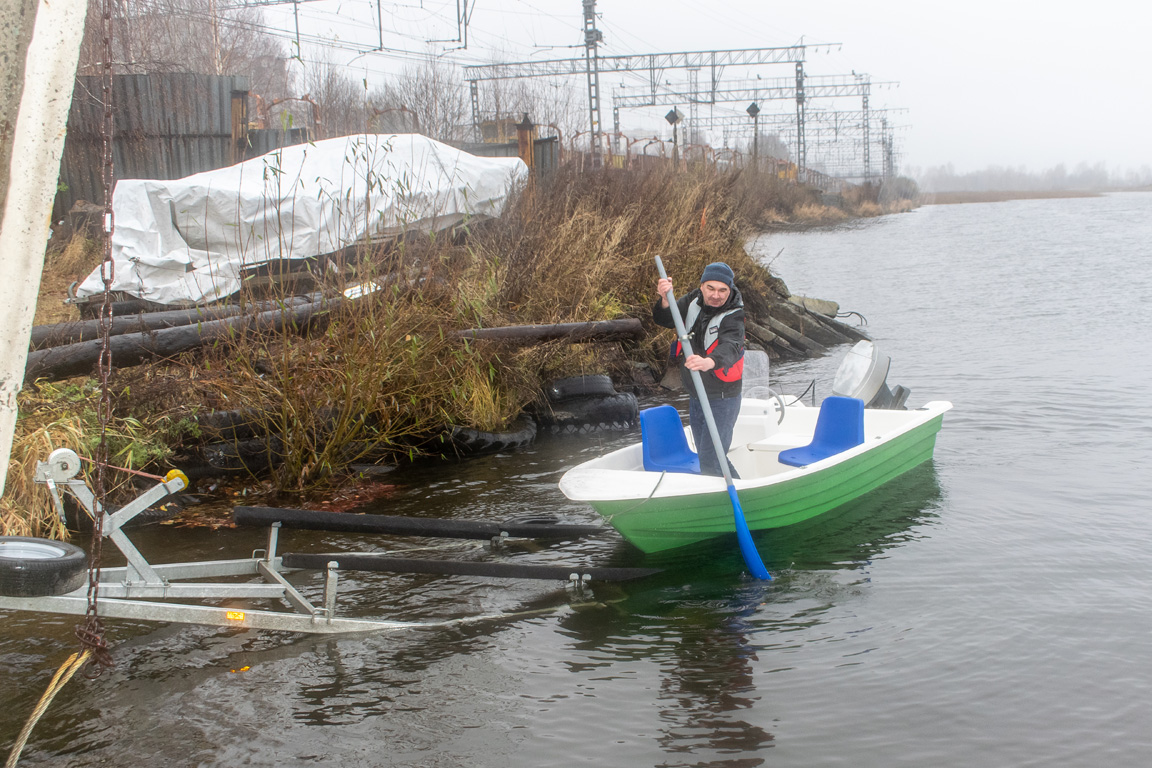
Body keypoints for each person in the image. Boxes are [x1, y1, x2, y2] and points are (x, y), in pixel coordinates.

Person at [653, 261, 745, 478]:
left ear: (729, 290)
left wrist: (709, 362)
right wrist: (666, 300)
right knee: (709, 456)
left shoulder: (734, 314)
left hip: (723, 397)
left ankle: (739, 494)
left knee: (712, 457)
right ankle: (729, 493)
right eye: (711, 288)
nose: (716, 295)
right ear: (702, 286)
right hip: (696, 393)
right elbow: (665, 319)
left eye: (722, 290)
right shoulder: (694, 299)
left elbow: (732, 345)